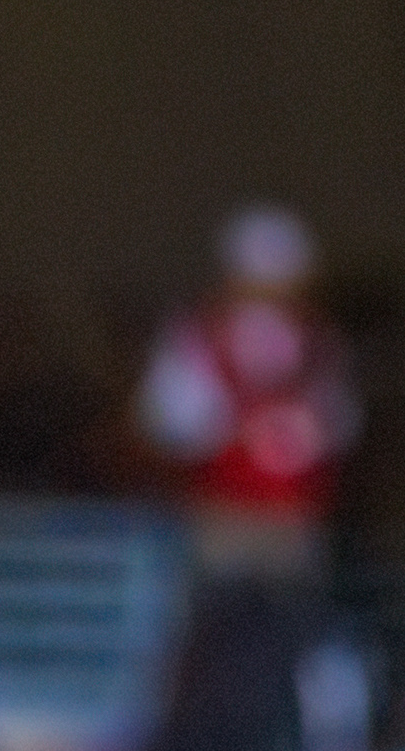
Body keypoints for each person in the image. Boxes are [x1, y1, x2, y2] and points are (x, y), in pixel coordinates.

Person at [135, 208, 358, 579]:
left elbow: (341, 418)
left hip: (299, 514)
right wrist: (232, 430)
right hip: (224, 513)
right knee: (231, 610)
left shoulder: (318, 340)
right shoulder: (200, 336)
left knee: (293, 611)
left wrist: (308, 433)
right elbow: (172, 421)